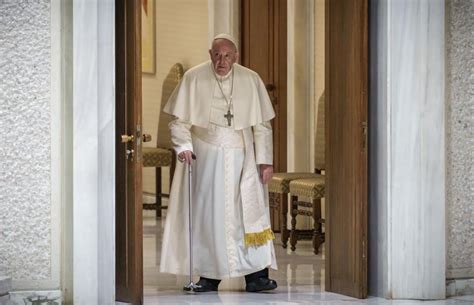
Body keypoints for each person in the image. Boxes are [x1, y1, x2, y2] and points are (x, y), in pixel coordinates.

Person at [160, 33, 277, 293]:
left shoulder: (250, 79)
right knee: (208, 215)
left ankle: (256, 275)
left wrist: (265, 161)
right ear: (209, 54)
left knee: (248, 214)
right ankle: (209, 277)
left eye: (226, 55)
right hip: (207, 156)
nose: (221, 61)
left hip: (243, 156)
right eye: (216, 55)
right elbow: (179, 123)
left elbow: (262, 126)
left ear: (235, 56)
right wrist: (185, 147)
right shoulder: (193, 77)